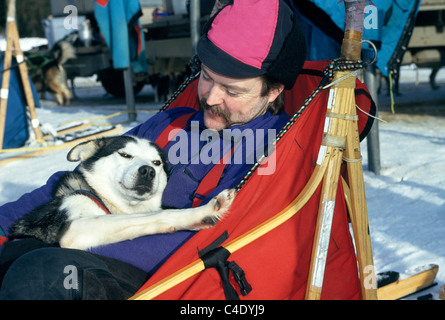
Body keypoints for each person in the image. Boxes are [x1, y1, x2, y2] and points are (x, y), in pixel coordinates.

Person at [0, 0, 307, 299]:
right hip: (87, 245)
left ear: (274, 91)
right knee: (17, 257)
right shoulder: (170, 123)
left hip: (166, 278)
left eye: (232, 90)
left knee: (38, 273)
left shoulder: (273, 146)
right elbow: (82, 179)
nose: (211, 98)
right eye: (207, 78)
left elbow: (214, 234)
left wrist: (72, 239)